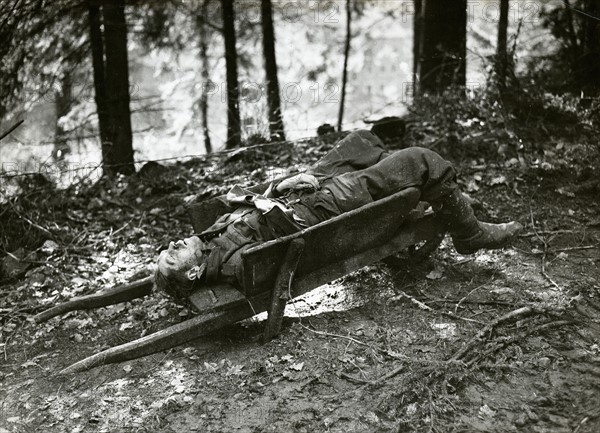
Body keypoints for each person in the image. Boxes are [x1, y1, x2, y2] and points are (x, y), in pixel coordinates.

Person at [155, 130, 522, 302]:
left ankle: (409, 188)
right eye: (173, 255)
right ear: (194, 272)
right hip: (325, 209)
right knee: (422, 159)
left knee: (360, 141)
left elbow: (249, 207)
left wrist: (279, 186)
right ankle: (468, 232)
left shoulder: (208, 241)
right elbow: (282, 243)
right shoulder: (235, 265)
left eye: (168, 248)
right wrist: (285, 201)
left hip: (299, 195)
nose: (173, 243)